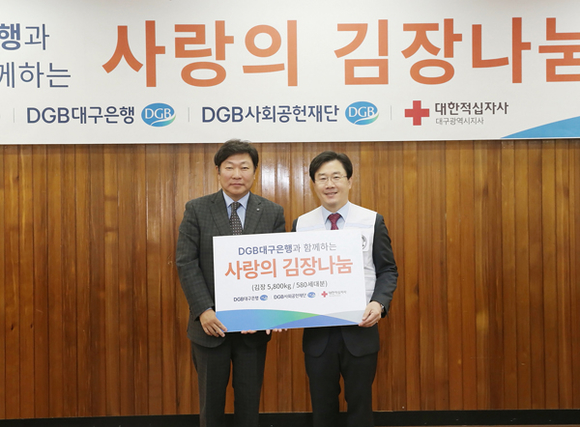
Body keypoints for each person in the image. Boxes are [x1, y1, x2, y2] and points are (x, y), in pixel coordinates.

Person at [176, 139, 286, 427]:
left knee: (249, 406)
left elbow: (277, 267)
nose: (237, 174)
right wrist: (204, 310)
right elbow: (186, 262)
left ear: (255, 172)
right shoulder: (196, 209)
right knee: (210, 407)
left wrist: (268, 312)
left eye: (244, 167)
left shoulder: (272, 212)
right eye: (229, 167)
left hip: (253, 329)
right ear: (218, 171)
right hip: (210, 327)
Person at [291, 151, 398, 427]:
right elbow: (291, 277)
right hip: (318, 336)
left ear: (349, 181)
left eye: (336, 177)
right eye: (322, 178)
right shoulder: (301, 225)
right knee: (322, 408)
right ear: (314, 184)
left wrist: (379, 303)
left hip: (360, 330)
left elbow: (387, 270)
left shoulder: (371, 221)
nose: (330, 184)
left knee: (360, 407)